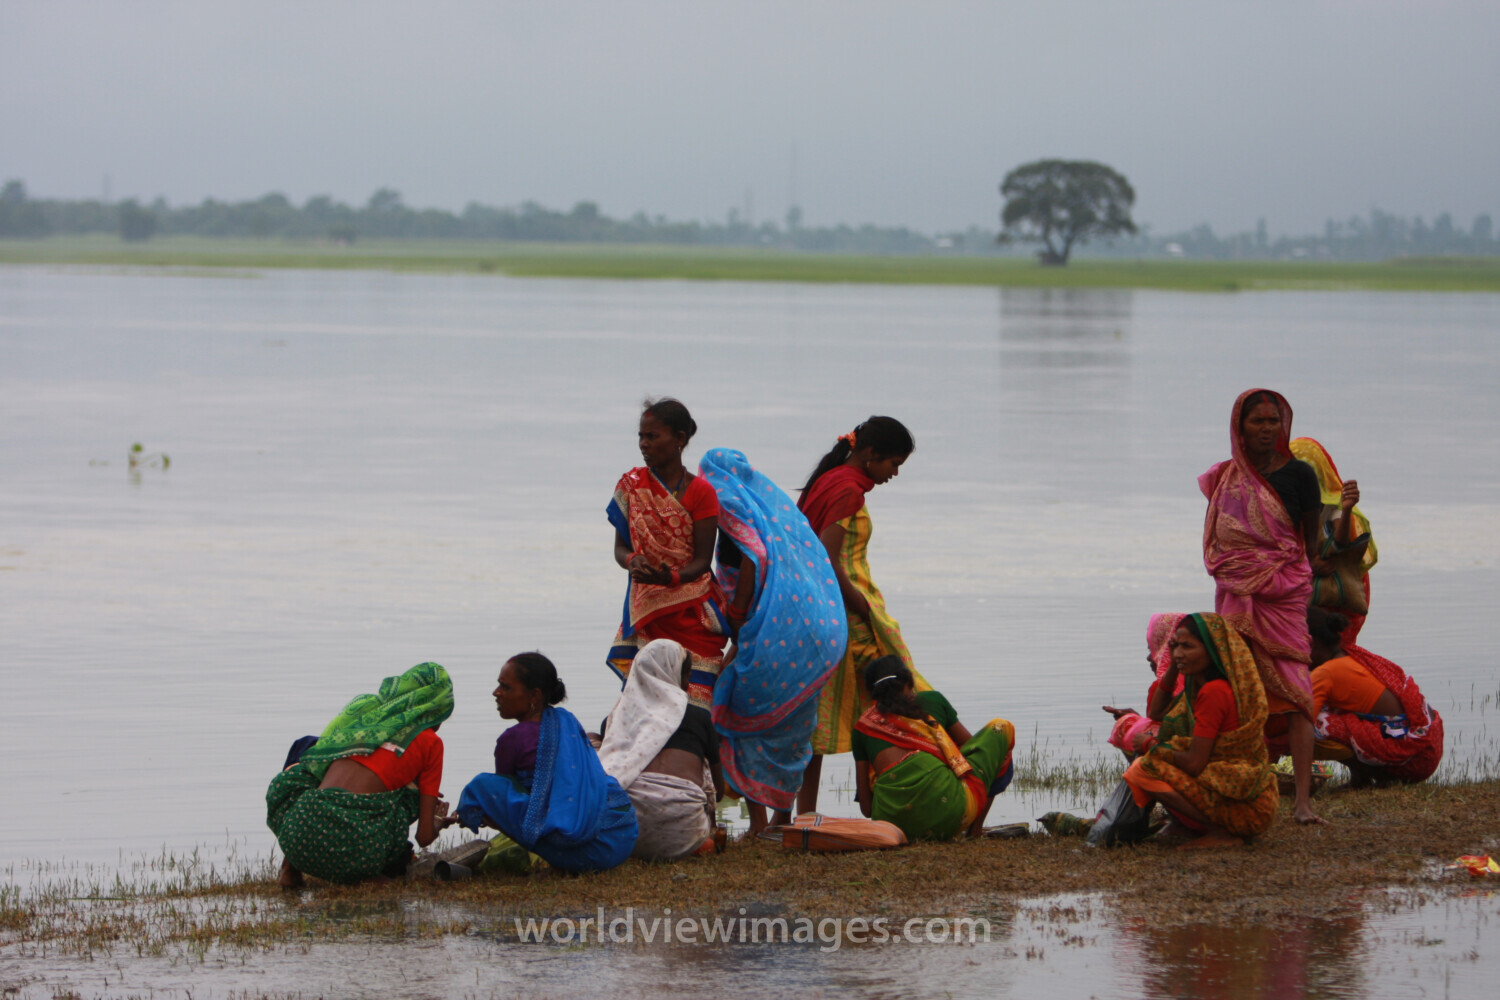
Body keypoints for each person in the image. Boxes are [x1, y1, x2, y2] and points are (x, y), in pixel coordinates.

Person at [698, 446, 848, 835]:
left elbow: (756, 555)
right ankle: (781, 819)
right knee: (795, 727)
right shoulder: (771, 509)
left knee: (743, 718)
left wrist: (738, 609)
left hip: (768, 629)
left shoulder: (729, 503)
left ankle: (764, 821)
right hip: (808, 636)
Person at [1200, 388, 1323, 824]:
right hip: (1236, 595)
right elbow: (1224, 540)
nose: (1268, 429)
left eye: (1274, 421)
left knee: (1297, 695)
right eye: (1259, 422)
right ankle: (1239, 787)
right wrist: (1248, 568)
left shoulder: (1302, 476)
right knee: (1234, 690)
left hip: (1285, 594)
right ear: (1241, 428)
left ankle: (1303, 802)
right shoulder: (1224, 479)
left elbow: (1311, 542)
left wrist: (1285, 570)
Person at [795, 416, 928, 814]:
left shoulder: (830, 480)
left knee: (822, 712)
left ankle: (805, 813)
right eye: (893, 463)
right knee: (902, 697)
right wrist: (861, 608)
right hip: (847, 613)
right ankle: (931, 785)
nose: (895, 473)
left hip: (824, 610)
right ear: (870, 455)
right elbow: (826, 559)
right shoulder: (847, 490)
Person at [267, 662, 458, 886]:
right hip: (356, 851)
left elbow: (317, 759)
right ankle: (365, 872)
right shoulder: (430, 742)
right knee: (410, 794)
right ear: (439, 707)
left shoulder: (366, 716)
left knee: (305, 769)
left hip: (297, 836)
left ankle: (289, 868)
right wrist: (436, 820)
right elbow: (424, 837)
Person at [458, 653, 638, 873]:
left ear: (534, 695)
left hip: (585, 851)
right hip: (622, 835)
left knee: (483, 787)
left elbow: (504, 802)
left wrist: (471, 811)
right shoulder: (567, 721)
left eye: (506, 687)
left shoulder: (513, 739)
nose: (496, 693)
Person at [607, 398, 728, 708]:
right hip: (648, 613)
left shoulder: (701, 492)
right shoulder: (631, 485)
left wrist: (671, 577)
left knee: (695, 706)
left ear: (679, 439)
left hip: (691, 614)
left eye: (652, 436)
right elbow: (621, 548)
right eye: (641, 437)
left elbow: (702, 561)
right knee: (645, 708)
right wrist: (633, 560)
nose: (644, 445)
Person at [1122, 613, 1279, 848]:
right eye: (1175, 646)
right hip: (1254, 801)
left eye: (1187, 647)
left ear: (1212, 650)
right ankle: (1194, 826)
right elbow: (1156, 714)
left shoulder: (1212, 692)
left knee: (1142, 770)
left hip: (1243, 807)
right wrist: (1176, 664)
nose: (1177, 653)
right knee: (1156, 756)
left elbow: (1195, 763)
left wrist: (1150, 746)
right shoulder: (1204, 686)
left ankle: (1221, 832)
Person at [851, 656, 1015, 841]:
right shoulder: (932, 700)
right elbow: (974, 749)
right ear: (908, 681)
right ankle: (974, 831)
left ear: (873, 693)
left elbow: (866, 808)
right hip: (951, 815)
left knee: (876, 771)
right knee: (1001, 729)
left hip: (892, 827)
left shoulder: (862, 727)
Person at [597, 639, 725, 860]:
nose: (687, 685)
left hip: (623, 836)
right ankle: (703, 839)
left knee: (595, 744)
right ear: (673, 676)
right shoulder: (699, 717)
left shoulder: (614, 721)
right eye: (686, 677)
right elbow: (719, 792)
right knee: (700, 762)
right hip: (685, 835)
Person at [1300, 607, 1443, 785]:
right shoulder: (1353, 655)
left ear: (1311, 643)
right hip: (1428, 748)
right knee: (1335, 713)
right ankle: (1361, 777)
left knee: (1312, 723)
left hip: (1412, 761)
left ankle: (1372, 774)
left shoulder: (1324, 673)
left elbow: (1302, 724)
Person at [1290, 437, 1376, 644]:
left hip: (1335, 588)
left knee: (1330, 643)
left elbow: (1340, 542)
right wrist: (1307, 567)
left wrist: (1346, 509)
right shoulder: (1281, 504)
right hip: (1295, 588)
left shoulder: (1333, 505)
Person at [1104, 613, 1186, 761]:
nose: (1149, 657)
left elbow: (1158, 716)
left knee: (1128, 725)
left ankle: (1144, 773)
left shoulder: (1182, 682)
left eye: (1153, 649)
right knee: (1131, 721)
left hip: (1184, 750)